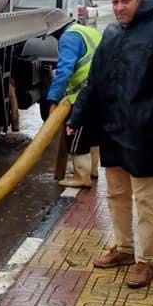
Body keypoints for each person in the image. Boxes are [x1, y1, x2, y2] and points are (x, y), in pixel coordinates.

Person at [68, 0, 153, 288]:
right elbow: (94, 81)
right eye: (115, 2)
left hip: (145, 130)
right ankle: (123, 248)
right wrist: (77, 116)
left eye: (125, 1)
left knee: (145, 199)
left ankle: (146, 261)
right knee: (116, 194)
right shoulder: (111, 33)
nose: (119, 7)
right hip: (113, 128)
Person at [47, 18, 102, 187]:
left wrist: (53, 99)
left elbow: (64, 71)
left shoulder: (68, 37)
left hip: (83, 95)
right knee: (92, 134)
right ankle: (93, 170)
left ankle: (81, 177)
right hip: (101, 91)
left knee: (75, 136)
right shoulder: (87, 31)